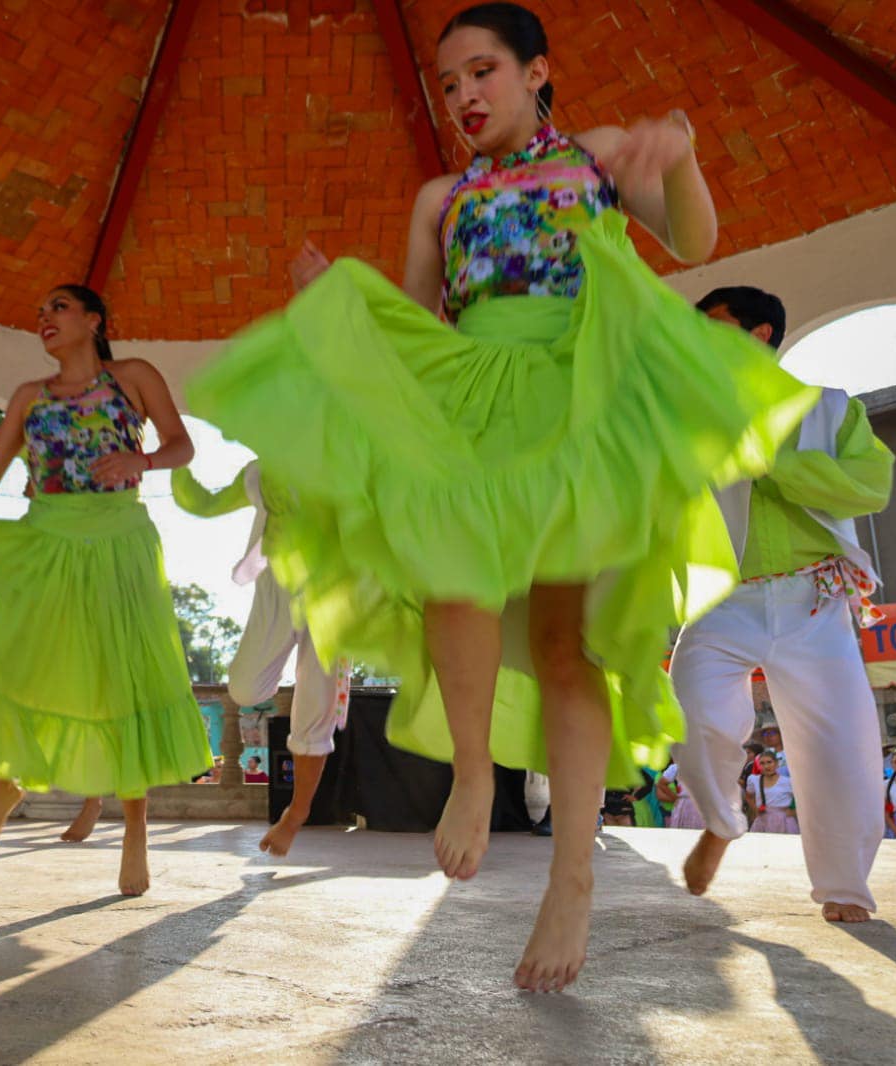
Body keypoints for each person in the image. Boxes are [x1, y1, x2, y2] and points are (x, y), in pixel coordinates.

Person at [185, 2, 813, 991]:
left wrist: (679, 155)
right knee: (453, 577)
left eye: (482, 71)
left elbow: (692, 242)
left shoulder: (599, 153)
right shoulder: (439, 196)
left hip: (573, 403)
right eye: (448, 82)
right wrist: (339, 310)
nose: (464, 94)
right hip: (475, 399)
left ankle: (571, 878)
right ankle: (472, 769)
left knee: (565, 643)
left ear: (537, 71)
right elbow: (419, 326)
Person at [0, 284, 212, 896]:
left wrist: (138, 464)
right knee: (27, 662)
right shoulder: (28, 397)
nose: (44, 317)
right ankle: (7, 781)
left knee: (123, 679)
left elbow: (181, 445)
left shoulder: (133, 376)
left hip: (119, 537)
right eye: (39, 310)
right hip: (46, 535)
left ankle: (135, 831)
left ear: (94, 320)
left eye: (58, 307)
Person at [671, 284, 893, 924]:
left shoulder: (829, 410)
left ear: (760, 333)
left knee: (839, 748)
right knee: (693, 716)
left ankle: (845, 887)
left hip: (814, 599)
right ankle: (720, 819)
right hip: (723, 599)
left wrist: (773, 461)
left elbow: (869, 486)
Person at [171, 461, 352, 855]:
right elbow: (206, 502)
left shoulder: (349, 455)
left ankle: (297, 813)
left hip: (336, 597)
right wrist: (178, 464)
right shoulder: (260, 471)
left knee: (315, 712)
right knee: (245, 688)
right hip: (276, 591)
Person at [745, 750, 798, 834]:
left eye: (769, 762)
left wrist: (793, 809)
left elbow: (802, 798)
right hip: (763, 819)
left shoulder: (788, 782)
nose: (766, 766)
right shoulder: (754, 780)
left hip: (783, 819)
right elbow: (748, 796)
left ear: (776, 763)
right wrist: (755, 808)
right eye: (762, 763)